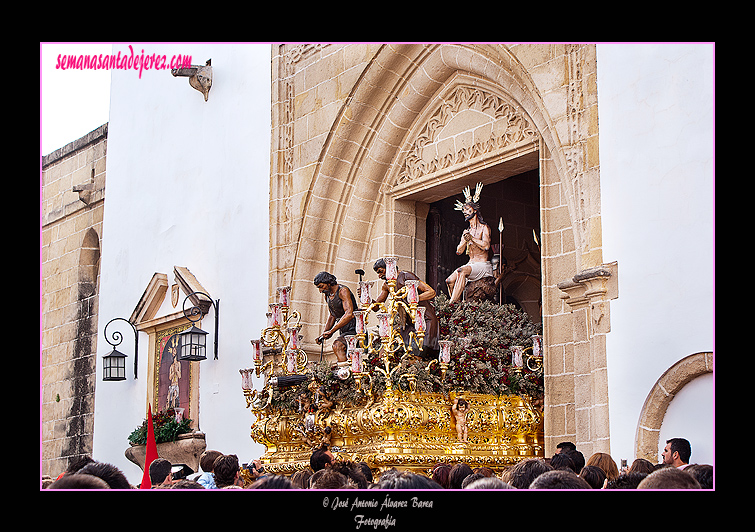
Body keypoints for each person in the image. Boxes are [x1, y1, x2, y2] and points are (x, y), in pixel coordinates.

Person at [370, 258, 439, 355]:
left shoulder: (406, 276)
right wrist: (367, 297)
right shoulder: (387, 285)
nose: (379, 275)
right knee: (385, 351)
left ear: (390, 267)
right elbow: (376, 307)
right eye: (378, 273)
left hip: (425, 320)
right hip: (409, 325)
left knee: (419, 352)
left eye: (381, 271)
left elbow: (431, 292)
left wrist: (414, 299)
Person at [445, 183, 493, 303]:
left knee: (462, 271)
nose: (465, 212)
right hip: (471, 263)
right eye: (463, 210)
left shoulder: (484, 228)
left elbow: (486, 246)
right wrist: (465, 241)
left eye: (467, 209)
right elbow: (459, 251)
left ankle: (451, 304)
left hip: (482, 265)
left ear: (475, 210)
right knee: (449, 281)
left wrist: (471, 239)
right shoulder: (466, 232)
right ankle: (456, 304)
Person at [314, 271, 358, 363]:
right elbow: (332, 315)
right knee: (341, 348)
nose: (320, 291)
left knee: (338, 346)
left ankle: (344, 372)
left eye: (321, 286)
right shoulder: (327, 295)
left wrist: (332, 331)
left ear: (329, 282)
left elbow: (349, 314)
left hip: (355, 327)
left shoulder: (343, 291)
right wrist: (324, 333)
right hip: (343, 328)